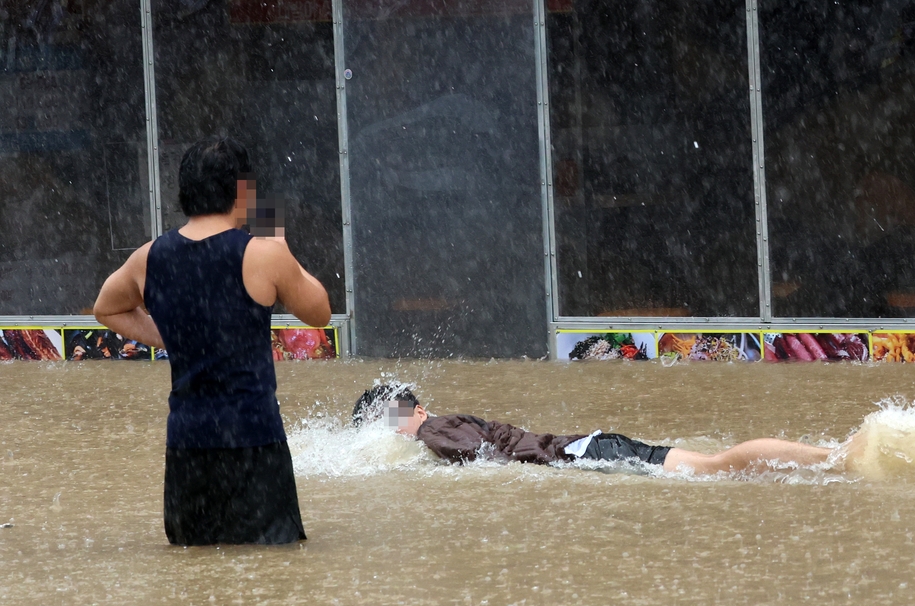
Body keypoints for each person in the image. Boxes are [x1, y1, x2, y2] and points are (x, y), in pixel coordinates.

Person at [93, 136, 331, 545]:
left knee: (194, 580)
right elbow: (320, 312)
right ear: (244, 192)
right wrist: (278, 240)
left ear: (185, 193)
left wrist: (168, 337)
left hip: (187, 449)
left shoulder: (148, 257)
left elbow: (106, 308)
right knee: (273, 582)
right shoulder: (263, 254)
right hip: (254, 443)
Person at [352, 384, 846, 475]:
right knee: (715, 468)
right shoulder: (443, 422)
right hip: (592, 449)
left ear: (407, 413)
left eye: (386, 422)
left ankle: (832, 458)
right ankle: (829, 458)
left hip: (586, 455)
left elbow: (481, 457)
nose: (387, 432)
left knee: (717, 469)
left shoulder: (432, 430)